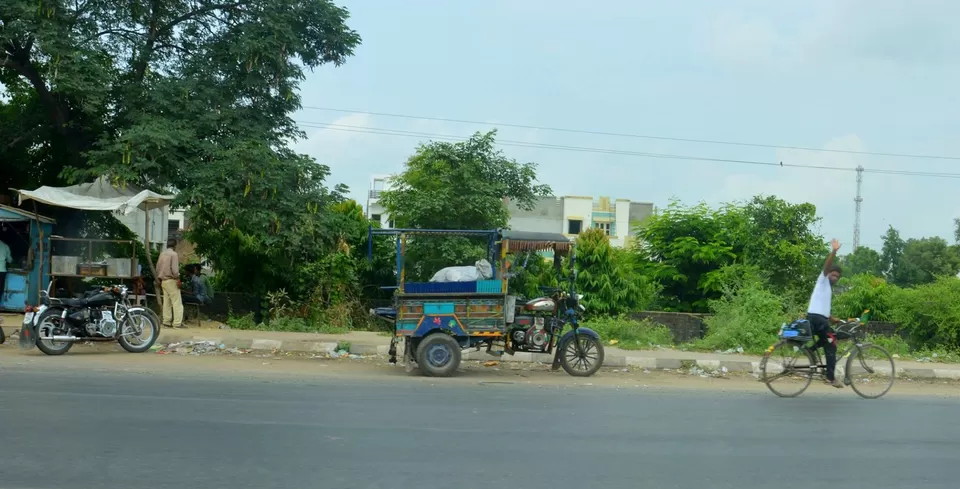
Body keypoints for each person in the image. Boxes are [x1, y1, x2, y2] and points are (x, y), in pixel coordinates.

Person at [807, 238, 843, 388]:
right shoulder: (822, 280)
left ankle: (810, 351)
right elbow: (826, 266)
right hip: (817, 320)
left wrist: (832, 318)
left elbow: (821, 306)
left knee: (829, 336)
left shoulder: (827, 289)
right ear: (828, 274)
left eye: (837, 276)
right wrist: (834, 251)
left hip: (819, 319)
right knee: (832, 344)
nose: (834, 278)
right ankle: (830, 377)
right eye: (832, 275)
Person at [156, 238, 184, 329]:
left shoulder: (162, 254)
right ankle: (177, 323)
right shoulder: (174, 254)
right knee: (177, 302)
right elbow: (175, 270)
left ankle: (166, 322)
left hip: (163, 281)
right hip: (171, 280)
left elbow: (157, 268)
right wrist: (178, 279)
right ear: (174, 245)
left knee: (166, 302)